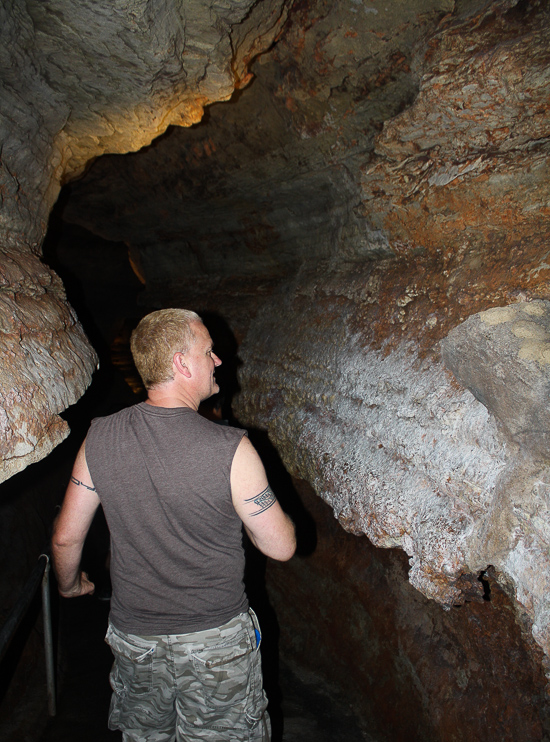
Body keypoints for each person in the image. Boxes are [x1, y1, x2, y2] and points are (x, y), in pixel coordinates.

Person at [51, 308, 296, 742]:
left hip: (135, 640)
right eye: (208, 351)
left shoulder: (99, 437)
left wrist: (70, 587)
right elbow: (280, 546)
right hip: (215, 643)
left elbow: (66, 536)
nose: (218, 360)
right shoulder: (231, 449)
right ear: (182, 364)